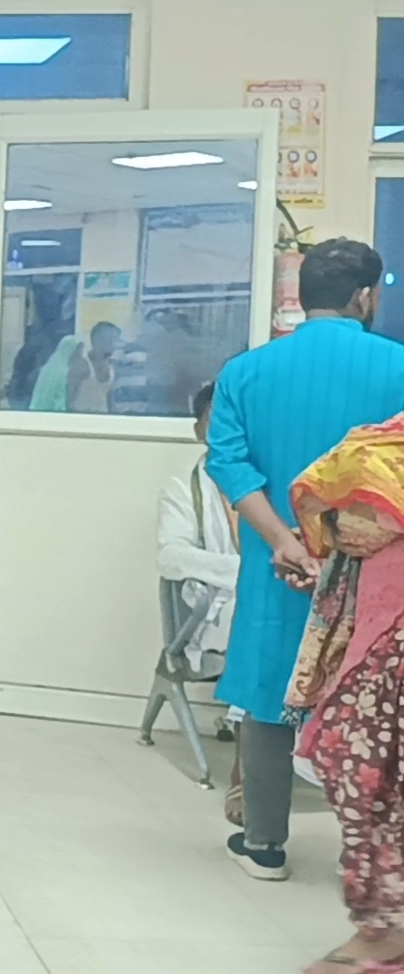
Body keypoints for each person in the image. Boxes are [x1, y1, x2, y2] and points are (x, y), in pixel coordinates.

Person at [206, 237, 404, 882]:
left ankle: (263, 843)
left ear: (302, 294)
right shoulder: (399, 368)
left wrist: (286, 541)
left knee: (270, 692)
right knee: (379, 701)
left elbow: (228, 462)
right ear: (365, 296)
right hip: (378, 572)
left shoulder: (245, 372)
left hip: (279, 565)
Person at [288, 416, 404, 972]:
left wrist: (335, 516)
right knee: (357, 763)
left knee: (359, 763)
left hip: (389, 639)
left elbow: (360, 523)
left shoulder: (376, 449)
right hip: (380, 630)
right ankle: (382, 924)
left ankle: (383, 928)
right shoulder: (381, 442)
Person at [158, 382, 240, 673]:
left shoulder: (275, 480)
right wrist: (245, 572)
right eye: (215, 421)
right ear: (198, 431)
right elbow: (171, 556)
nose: (226, 431)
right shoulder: (183, 488)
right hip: (222, 607)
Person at [71, 320, 121, 413]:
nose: (114, 344)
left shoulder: (111, 368)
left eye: (115, 340)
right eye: (110, 339)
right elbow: (68, 399)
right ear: (96, 340)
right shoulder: (82, 365)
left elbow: (110, 402)